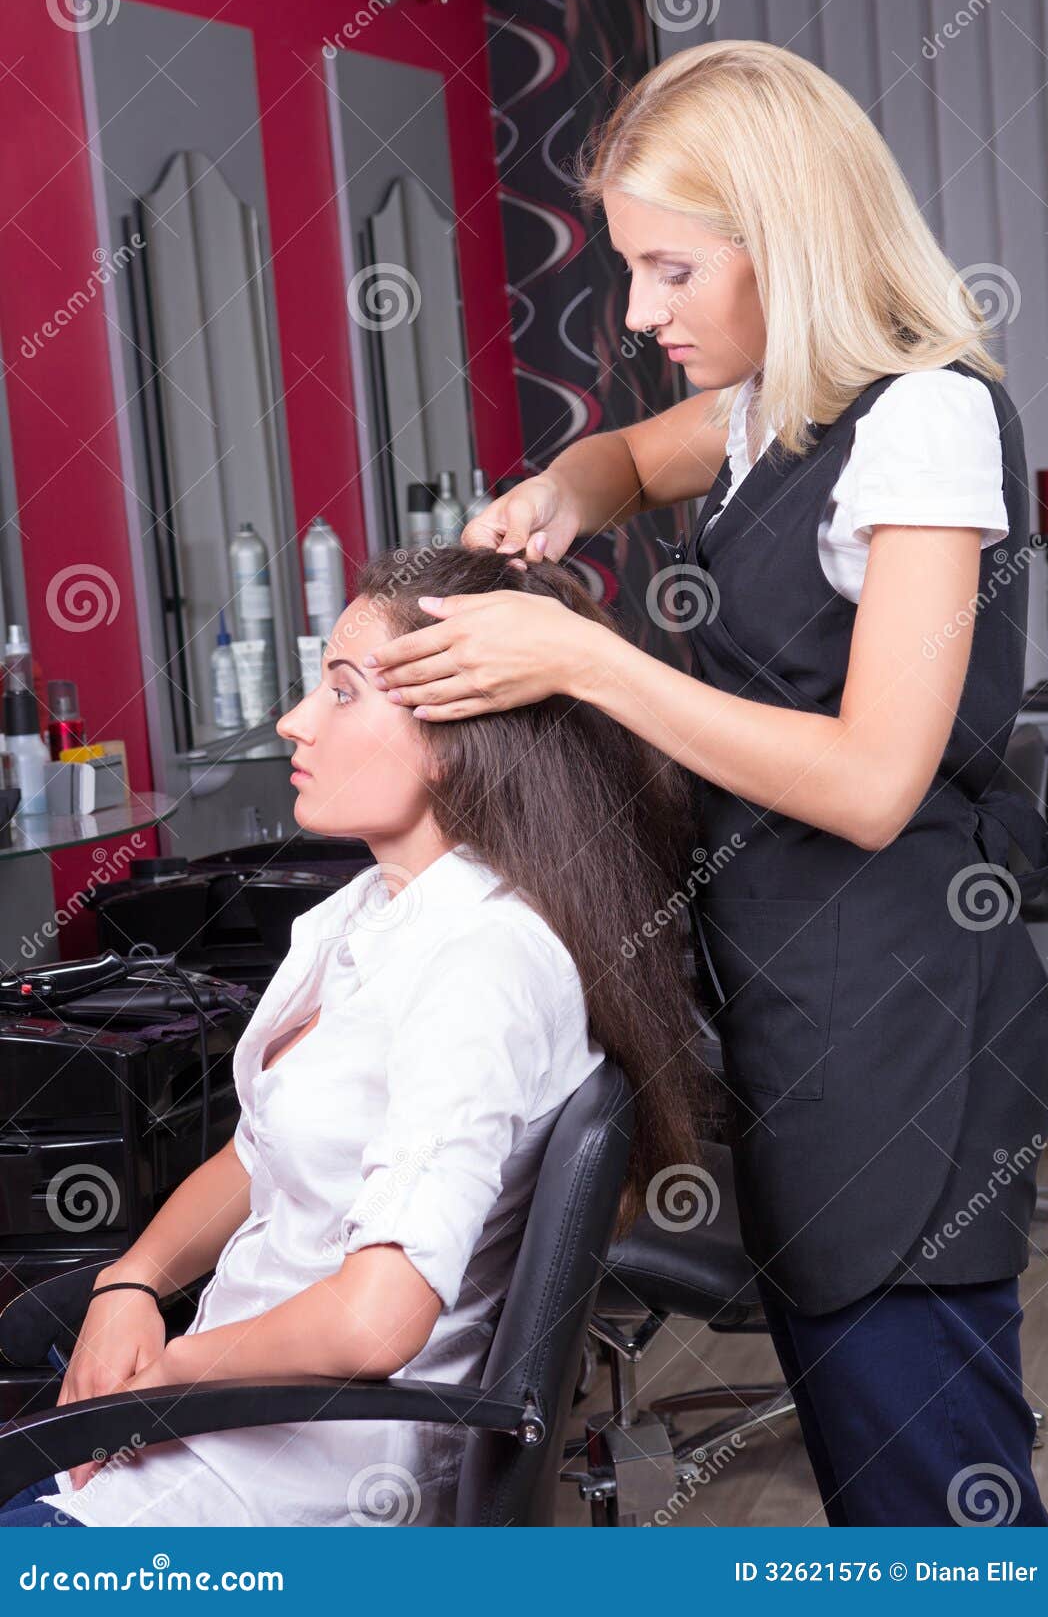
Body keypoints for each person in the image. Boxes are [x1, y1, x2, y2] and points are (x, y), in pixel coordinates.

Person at [361, 40, 1048, 1526]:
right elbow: (622, 459)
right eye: (628, 267)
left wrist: (586, 661)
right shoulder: (769, 410)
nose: (636, 311)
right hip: (805, 1025)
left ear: (787, 237)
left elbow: (874, 778)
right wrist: (566, 487)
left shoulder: (917, 420)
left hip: (901, 1041)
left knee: (929, 1511)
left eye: (670, 269)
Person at [2, 548, 705, 1528]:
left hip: (299, 1490)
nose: (295, 720)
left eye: (340, 692)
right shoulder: (369, 909)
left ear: (454, 737)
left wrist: (167, 1378)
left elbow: (379, 1318)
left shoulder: (480, 966)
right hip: (214, 1445)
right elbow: (263, 1150)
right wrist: (135, 1280)